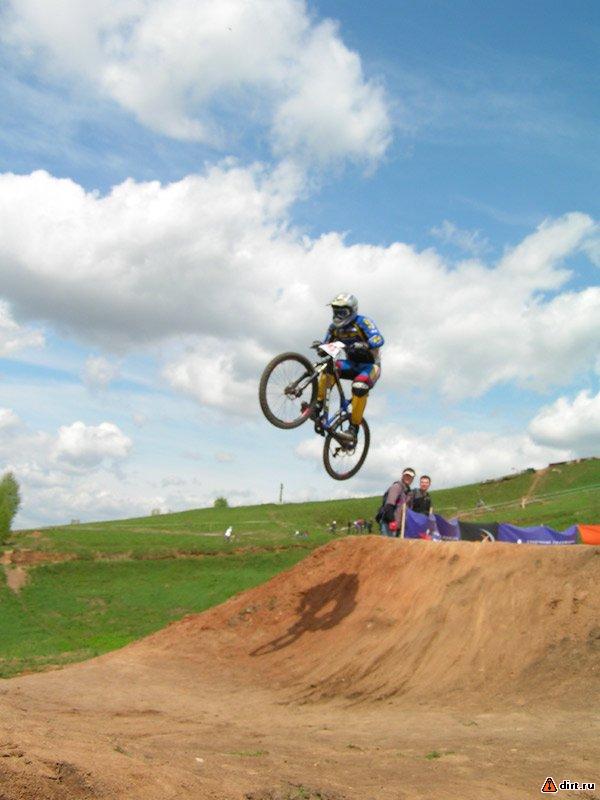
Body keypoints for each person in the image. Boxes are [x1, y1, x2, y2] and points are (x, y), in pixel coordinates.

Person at [312, 293, 384, 443]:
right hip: (351, 364)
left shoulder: (363, 322)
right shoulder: (334, 328)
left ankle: (353, 429)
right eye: (335, 312)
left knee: (360, 386)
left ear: (352, 311)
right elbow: (327, 347)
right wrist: (321, 348)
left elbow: (378, 338)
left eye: (342, 312)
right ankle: (317, 405)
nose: (338, 316)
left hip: (370, 366)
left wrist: (365, 344)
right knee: (328, 367)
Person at [378, 468, 416, 537]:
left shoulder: (409, 492)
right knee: (388, 543)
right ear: (402, 476)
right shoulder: (396, 487)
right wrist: (392, 521)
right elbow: (389, 505)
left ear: (412, 479)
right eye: (406, 476)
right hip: (389, 524)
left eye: (410, 477)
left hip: (399, 526)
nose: (408, 478)